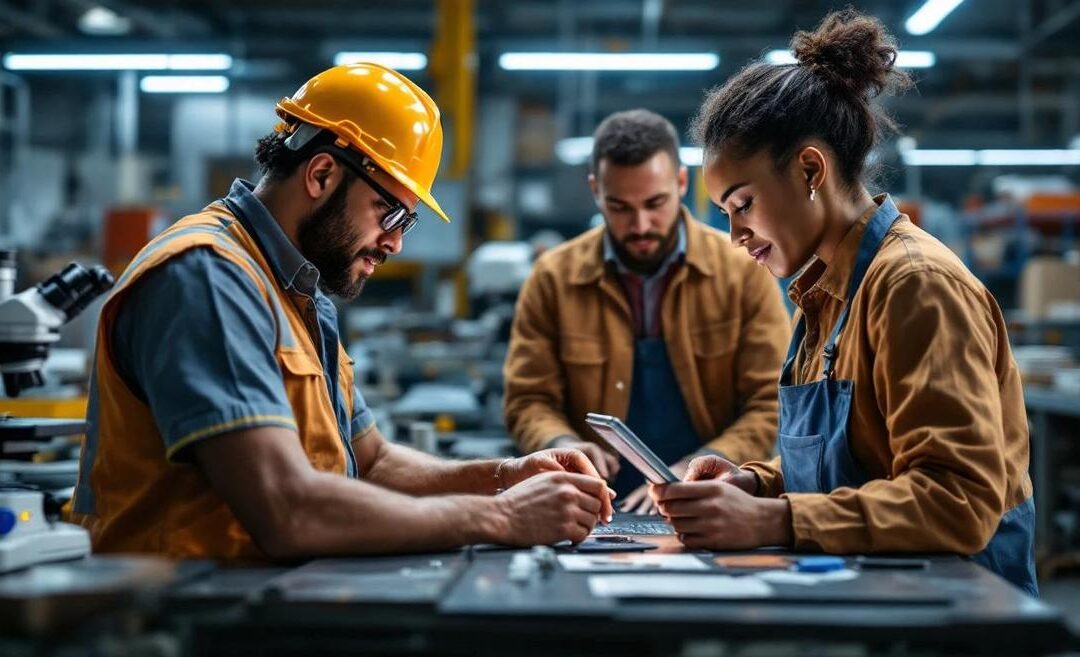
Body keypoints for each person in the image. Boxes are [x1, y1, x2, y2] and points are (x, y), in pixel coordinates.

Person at [72, 63, 613, 560]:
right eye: (390, 212)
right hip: (175, 617)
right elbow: (287, 508)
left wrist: (506, 476)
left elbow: (372, 463)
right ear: (322, 174)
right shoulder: (208, 275)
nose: (395, 243)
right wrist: (501, 515)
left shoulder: (299, 288)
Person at [650, 10, 1038, 596]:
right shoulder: (824, 293)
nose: (735, 235)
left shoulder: (915, 285)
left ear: (810, 169)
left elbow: (957, 500)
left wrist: (775, 521)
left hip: (960, 614)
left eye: (743, 204)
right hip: (879, 594)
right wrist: (756, 485)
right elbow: (861, 462)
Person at [504, 109, 790, 513]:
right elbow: (528, 398)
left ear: (681, 182)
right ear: (596, 191)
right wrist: (562, 445)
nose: (640, 225)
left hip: (707, 497)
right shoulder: (554, 277)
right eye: (620, 207)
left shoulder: (743, 272)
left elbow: (769, 402)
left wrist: (703, 465)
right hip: (588, 506)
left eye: (655, 203)